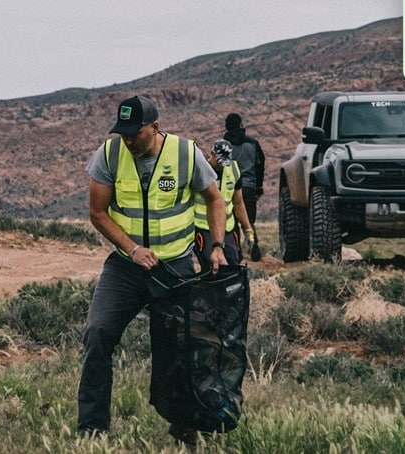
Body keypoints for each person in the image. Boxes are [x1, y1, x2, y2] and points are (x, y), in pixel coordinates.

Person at [78, 95, 228, 447]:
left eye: (136, 133)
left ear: (155, 127)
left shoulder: (185, 154)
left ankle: (184, 426)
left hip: (175, 267)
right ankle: (91, 431)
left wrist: (218, 246)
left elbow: (215, 199)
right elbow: (97, 213)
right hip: (126, 267)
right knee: (97, 334)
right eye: (123, 133)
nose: (129, 140)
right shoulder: (109, 155)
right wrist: (132, 249)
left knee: (180, 350)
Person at [194, 139, 254, 267]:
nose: (221, 166)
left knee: (232, 263)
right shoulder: (200, 170)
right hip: (204, 227)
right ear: (212, 154)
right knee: (210, 264)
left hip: (227, 227)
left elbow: (238, 203)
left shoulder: (234, 169)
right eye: (219, 162)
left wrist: (247, 229)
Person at [223, 113, 265, 261]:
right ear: (240, 124)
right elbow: (260, 165)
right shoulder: (253, 143)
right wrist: (258, 186)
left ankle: (237, 252)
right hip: (249, 187)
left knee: (233, 222)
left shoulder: (223, 145)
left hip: (230, 188)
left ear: (227, 126)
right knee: (249, 221)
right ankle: (254, 246)